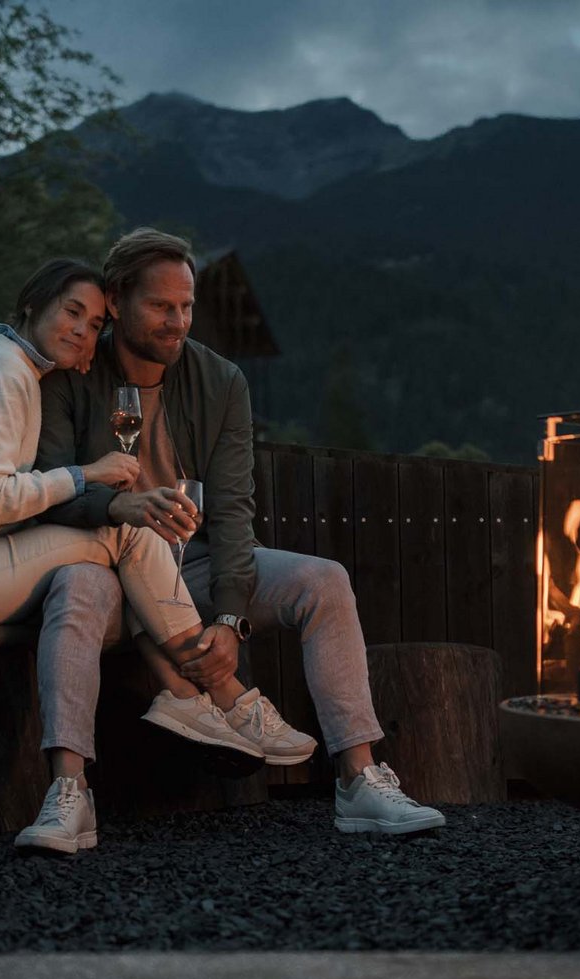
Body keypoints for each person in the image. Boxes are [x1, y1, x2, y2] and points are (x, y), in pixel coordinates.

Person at [0, 257, 301, 857]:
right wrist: (83, 475)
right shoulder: (0, 372)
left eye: (95, 324)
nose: (82, 331)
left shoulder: (19, 368)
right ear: (32, 306)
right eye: (71, 313)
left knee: (113, 545)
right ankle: (225, 697)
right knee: (130, 528)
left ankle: (173, 713)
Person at [36, 227, 446, 835]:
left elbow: (230, 510)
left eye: (187, 305)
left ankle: (360, 779)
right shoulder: (73, 374)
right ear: (117, 303)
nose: (178, 321)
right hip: (109, 566)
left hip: (194, 563)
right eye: (161, 306)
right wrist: (117, 510)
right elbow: (52, 486)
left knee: (323, 580)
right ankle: (68, 794)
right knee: (75, 587)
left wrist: (229, 619)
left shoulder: (221, 381)